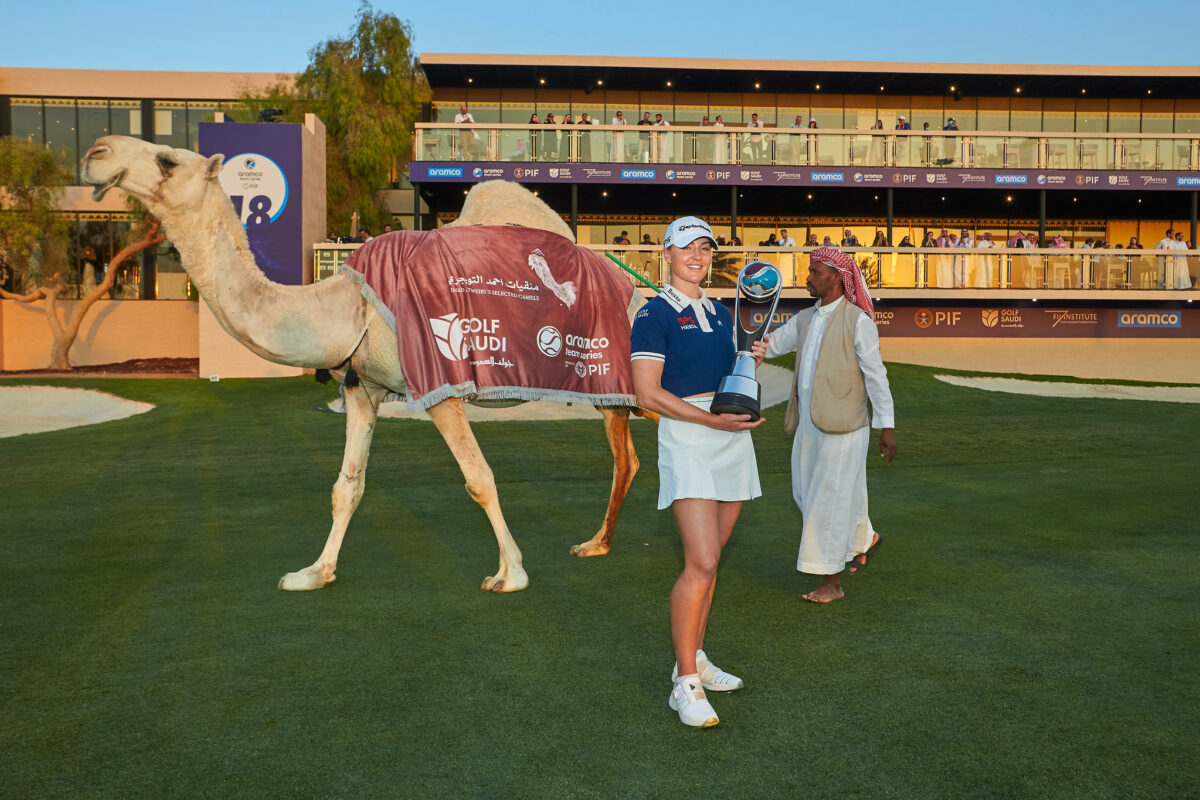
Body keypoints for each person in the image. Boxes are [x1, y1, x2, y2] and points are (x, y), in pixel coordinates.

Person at [630, 216, 763, 727]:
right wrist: (712, 420)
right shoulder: (654, 314)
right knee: (701, 561)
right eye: (687, 247)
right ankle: (684, 682)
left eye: (705, 248)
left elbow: (727, 376)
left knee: (714, 560)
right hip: (689, 438)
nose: (698, 256)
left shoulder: (721, 310)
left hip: (731, 439)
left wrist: (750, 369)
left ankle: (698, 658)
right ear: (666, 253)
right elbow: (648, 394)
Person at [754, 246, 896, 603]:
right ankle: (864, 539)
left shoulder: (857, 321)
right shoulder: (805, 318)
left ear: (836, 276)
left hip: (845, 428)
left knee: (826, 500)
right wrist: (748, 349)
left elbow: (876, 376)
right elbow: (770, 346)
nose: (809, 277)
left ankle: (831, 582)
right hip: (809, 425)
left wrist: (887, 426)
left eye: (815, 272)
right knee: (806, 493)